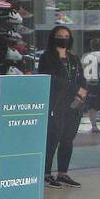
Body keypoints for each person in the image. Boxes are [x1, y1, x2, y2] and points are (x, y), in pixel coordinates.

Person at [38, 27, 88, 187]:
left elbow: (80, 77)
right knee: (53, 139)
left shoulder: (73, 58)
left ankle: (62, 173)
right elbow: (52, 79)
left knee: (68, 139)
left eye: (66, 36)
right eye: (60, 36)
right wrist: (75, 89)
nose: (63, 39)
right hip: (56, 104)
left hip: (73, 105)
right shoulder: (47, 58)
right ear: (53, 38)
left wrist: (82, 91)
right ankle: (46, 174)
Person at [81, 36, 100, 133]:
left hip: (89, 84)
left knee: (91, 106)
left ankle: (94, 126)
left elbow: (82, 69)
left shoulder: (85, 56)